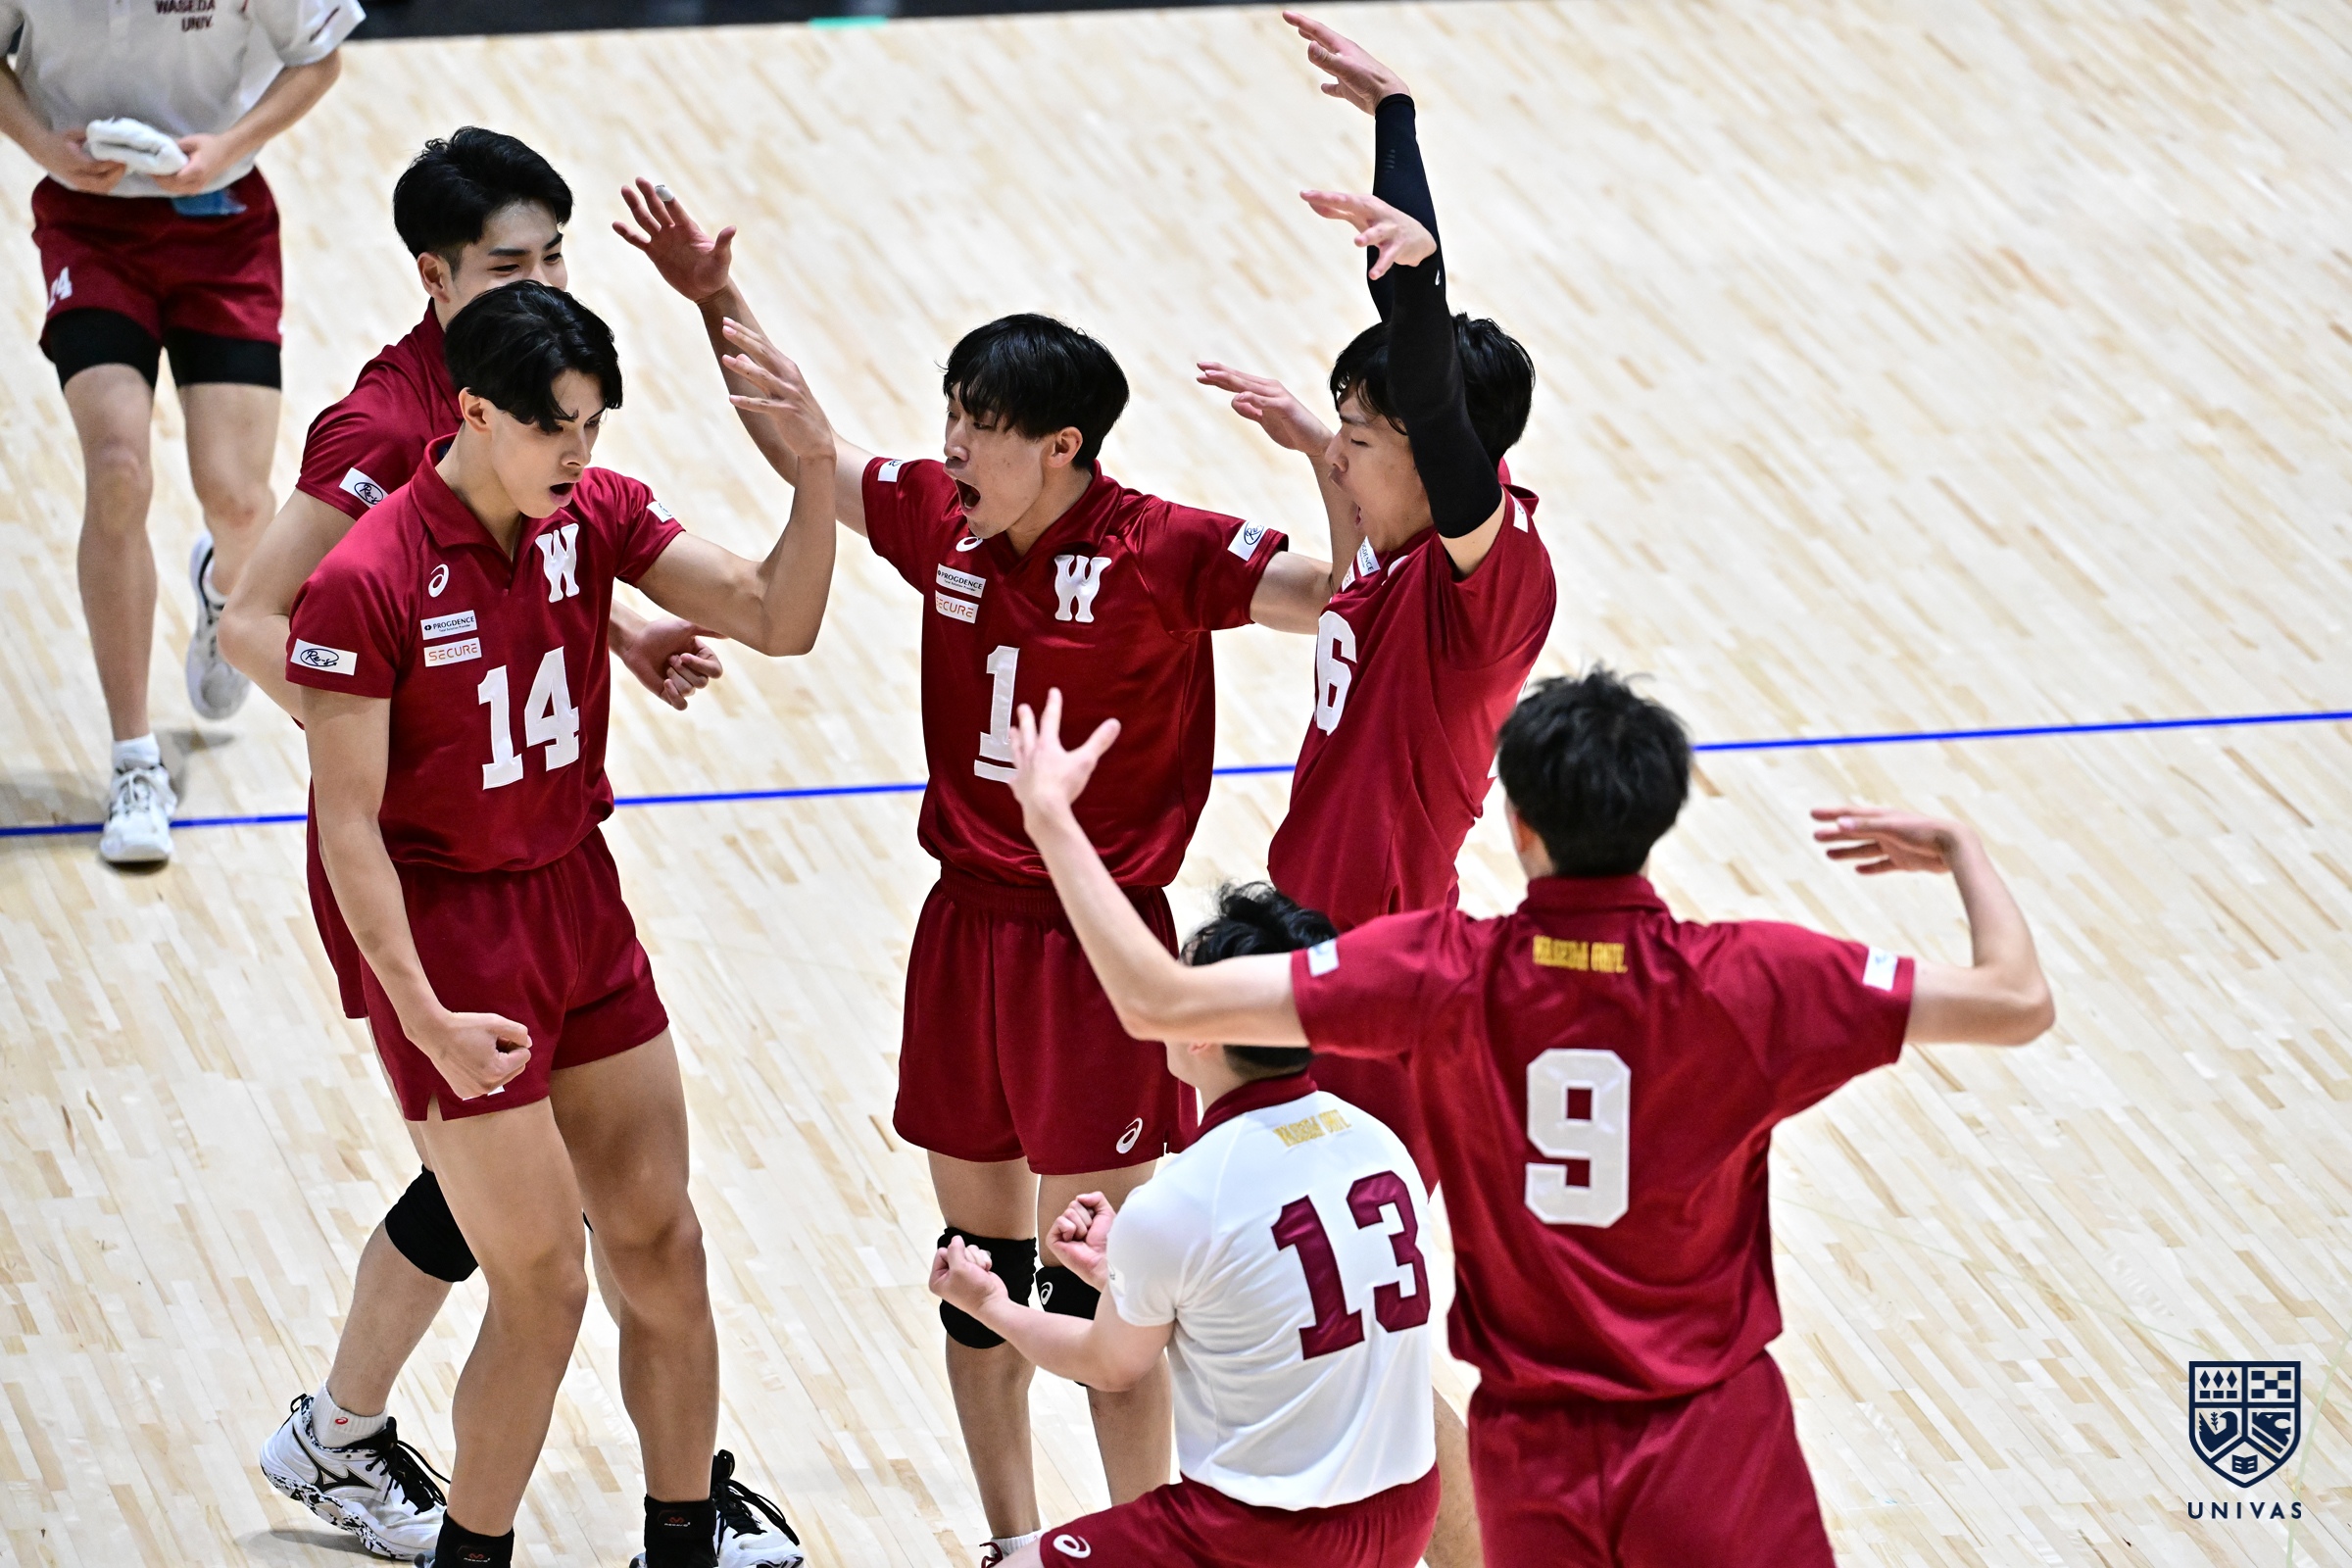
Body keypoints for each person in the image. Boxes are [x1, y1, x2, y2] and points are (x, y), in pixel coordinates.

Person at [616, 181, 1335, 1563]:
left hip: (1100, 951)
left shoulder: (1165, 547)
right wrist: (715, 298)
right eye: (949, 414)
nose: (950, 444)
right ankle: (1014, 1541)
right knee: (978, 1271)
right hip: (964, 934)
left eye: (980, 426)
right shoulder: (941, 518)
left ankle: (1129, 1540)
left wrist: (1325, 457)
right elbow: (811, 452)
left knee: (1110, 1278)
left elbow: (1337, 593)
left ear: (1062, 447)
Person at [1004, 671, 2056, 1566]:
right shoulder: (1754, 980)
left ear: (1519, 825)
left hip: (1534, 1455)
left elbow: (1156, 998)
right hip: (1710, 1440)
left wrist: (1052, 819)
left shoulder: (1445, 973)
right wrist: (1963, 850)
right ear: (1659, 815)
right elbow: (2016, 1001)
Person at [235, 131, 797, 1568]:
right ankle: (375, 1457)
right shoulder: (379, 440)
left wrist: (612, 625)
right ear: (436, 280)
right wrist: (399, 707)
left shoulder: (564, 445)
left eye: (556, 255)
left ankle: (353, 1431)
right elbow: (258, 621)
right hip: (431, 876)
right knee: (528, 1251)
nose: (541, 278)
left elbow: (611, 569)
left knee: (596, 1219)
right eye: (510, 262)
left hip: (555, 872)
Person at [1197, 18, 1556, 1561]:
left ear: (1437, 447)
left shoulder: (1493, 574)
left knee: (1382, 1339)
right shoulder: (1400, 556)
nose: (1344, 451)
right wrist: (1309, 447)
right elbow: (1356, 579)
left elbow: (1429, 386)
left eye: (1362, 434)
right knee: (1296, 1310)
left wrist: (1413, 232)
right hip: (1303, 944)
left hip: (1378, 974)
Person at [927, 883, 1439, 1568]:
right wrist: (1126, 1274)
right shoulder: (1379, 1143)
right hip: (1406, 1514)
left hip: (1261, 1538)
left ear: (1199, 1030)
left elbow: (1109, 1365)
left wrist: (991, 1304)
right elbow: (1281, 1291)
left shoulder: (1186, 1198)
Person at [0, 0, 359, 864]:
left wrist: (228, 147)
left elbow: (319, 59)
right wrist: (42, 146)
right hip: (89, 227)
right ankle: (134, 762)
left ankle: (224, 589)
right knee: (118, 467)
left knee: (240, 502)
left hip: (222, 222)